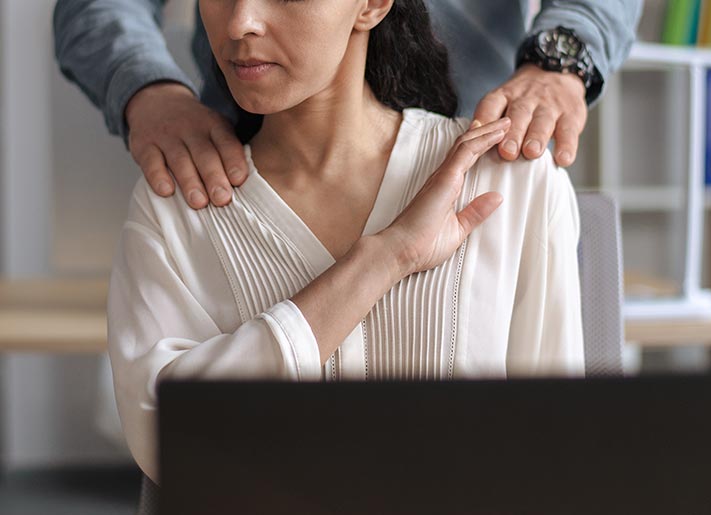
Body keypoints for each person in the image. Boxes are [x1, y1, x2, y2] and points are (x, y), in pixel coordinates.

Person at [105, 0, 584, 484]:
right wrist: (383, 259)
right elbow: (168, 439)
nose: (239, 23)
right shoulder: (176, 203)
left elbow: (557, 452)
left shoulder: (512, 181)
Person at [54, 0, 642, 210]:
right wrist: (148, 91)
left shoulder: (523, 199)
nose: (243, 19)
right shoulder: (180, 216)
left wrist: (560, 59)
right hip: (232, 171)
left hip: (480, 153)